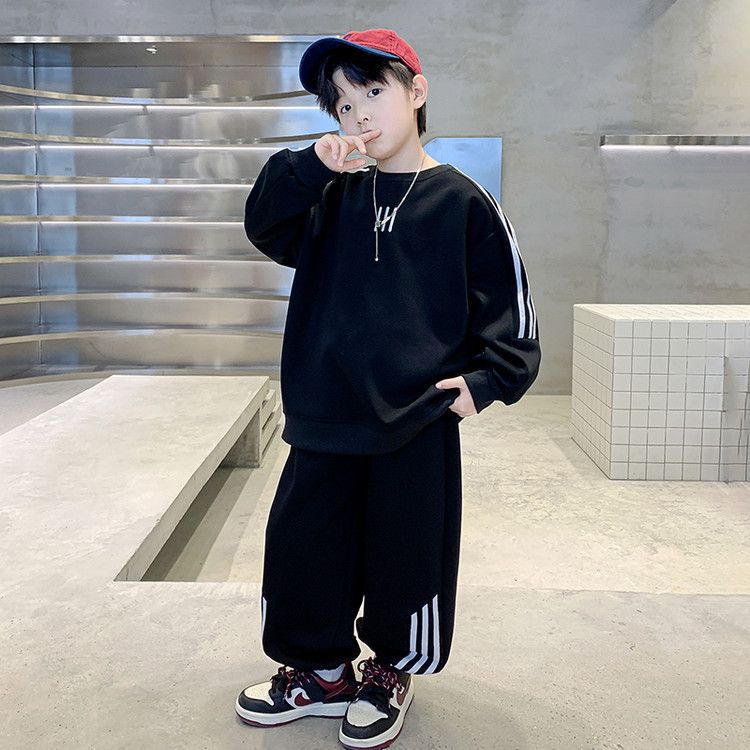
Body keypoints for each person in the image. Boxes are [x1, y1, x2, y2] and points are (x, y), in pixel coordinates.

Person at [235, 27, 541, 750]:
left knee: (407, 557)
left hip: (415, 421)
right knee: (304, 548)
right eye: (343, 105)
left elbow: (511, 307)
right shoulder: (328, 197)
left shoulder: (462, 201)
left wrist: (486, 382)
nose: (360, 114)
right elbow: (263, 222)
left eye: (374, 91)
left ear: (417, 91)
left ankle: (389, 674)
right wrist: (310, 166)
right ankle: (319, 673)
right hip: (324, 415)